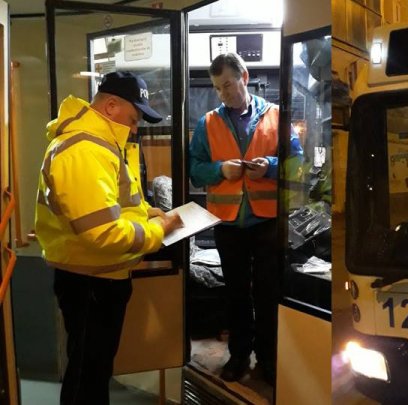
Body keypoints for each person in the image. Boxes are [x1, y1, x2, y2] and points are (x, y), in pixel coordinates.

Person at [34, 71, 183, 405]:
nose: (134, 129)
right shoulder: (84, 149)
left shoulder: (99, 143)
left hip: (98, 276)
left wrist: (148, 214)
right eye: (133, 119)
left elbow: (115, 203)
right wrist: (160, 230)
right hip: (90, 282)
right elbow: (101, 233)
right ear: (112, 105)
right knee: (88, 375)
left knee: (94, 370)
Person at [189, 53, 302, 384]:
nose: (223, 94)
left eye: (227, 84)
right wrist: (219, 170)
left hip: (267, 221)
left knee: (269, 293)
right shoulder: (206, 123)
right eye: (217, 88)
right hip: (227, 224)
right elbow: (195, 169)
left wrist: (270, 166)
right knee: (236, 293)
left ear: (244, 77)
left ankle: (268, 358)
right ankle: (238, 356)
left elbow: (297, 164)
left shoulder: (278, 117)